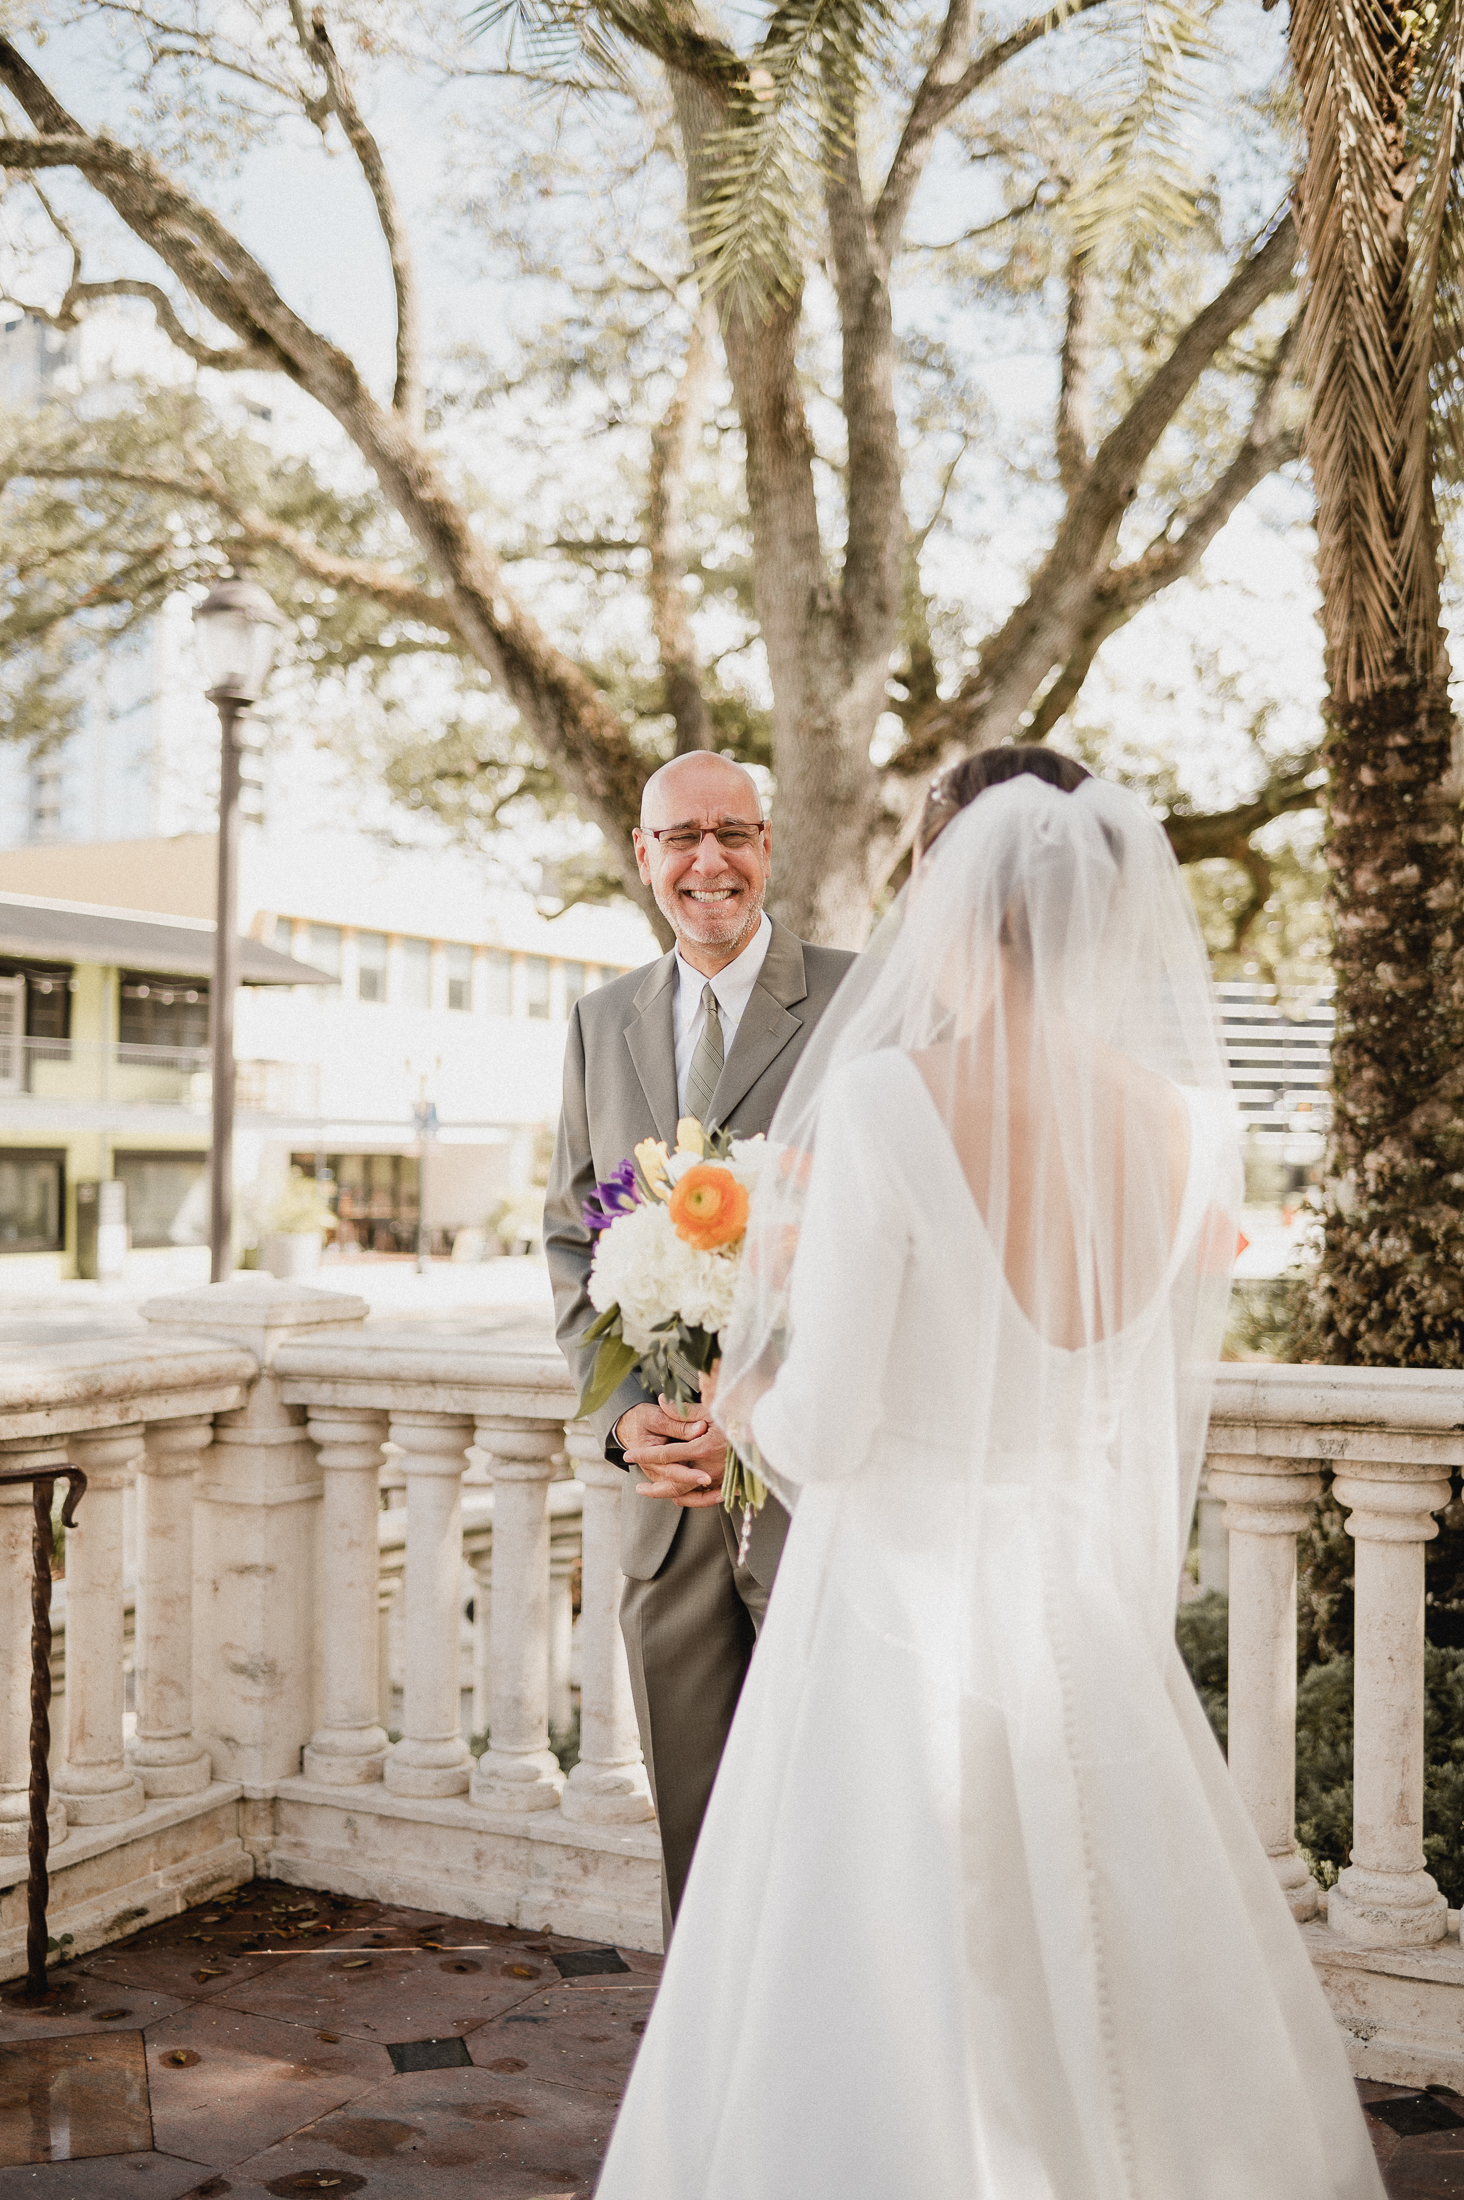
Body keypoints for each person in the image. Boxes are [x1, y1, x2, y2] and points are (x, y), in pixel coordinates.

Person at [595, 749, 1384, 2200]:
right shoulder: (1192, 1128)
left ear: (953, 904)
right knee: (1103, 1949)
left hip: (893, 1612)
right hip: (1074, 1605)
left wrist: (740, 1377)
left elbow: (825, 1437)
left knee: (889, 1965)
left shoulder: (892, 1105)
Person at [543, 751, 855, 1939]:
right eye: (680, 837)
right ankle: (708, 2066)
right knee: (697, 1816)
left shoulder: (855, 998)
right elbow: (573, 1238)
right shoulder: (597, 1020)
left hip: (815, 1490)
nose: (706, 861)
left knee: (831, 1806)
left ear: (767, 845)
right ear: (643, 854)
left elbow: (900, 1236)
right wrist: (623, 1423)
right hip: (665, 1486)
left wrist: (772, 1394)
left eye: (732, 833)